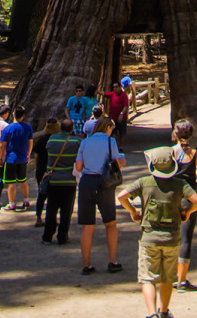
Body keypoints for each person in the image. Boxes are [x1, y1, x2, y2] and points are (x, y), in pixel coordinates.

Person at [118, 147, 197, 318]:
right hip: (171, 238)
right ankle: (164, 311)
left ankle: (151, 314)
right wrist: (187, 212)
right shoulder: (180, 184)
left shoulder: (144, 182)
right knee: (167, 277)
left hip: (149, 238)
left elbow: (121, 196)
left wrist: (133, 211)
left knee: (148, 278)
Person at [75, 115, 124, 275]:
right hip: (105, 183)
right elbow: (117, 161)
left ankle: (87, 264)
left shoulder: (85, 142)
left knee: (87, 227)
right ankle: (112, 261)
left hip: (87, 182)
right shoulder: (111, 142)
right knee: (110, 224)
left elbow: (79, 166)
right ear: (108, 127)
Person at [170, 119, 197, 292]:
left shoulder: (170, 153)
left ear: (175, 133)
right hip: (190, 198)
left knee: (170, 236)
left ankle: (168, 276)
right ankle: (182, 280)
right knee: (186, 238)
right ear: (191, 135)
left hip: (171, 196)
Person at [41, 119, 80, 245]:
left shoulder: (51, 140)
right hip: (69, 180)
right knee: (66, 210)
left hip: (53, 180)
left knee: (51, 209)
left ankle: (47, 236)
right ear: (72, 129)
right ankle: (62, 236)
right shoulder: (76, 142)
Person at [0, 104, 34, 211]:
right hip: (23, 158)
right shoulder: (28, 128)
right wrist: (28, 154)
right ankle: (26, 200)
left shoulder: (8, 128)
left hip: (10, 159)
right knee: (23, 180)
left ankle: (12, 204)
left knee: (11, 182)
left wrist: (1, 157)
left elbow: (2, 144)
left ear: (13, 114)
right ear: (23, 116)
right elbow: (30, 142)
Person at [32, 119, 60, 227]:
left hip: (42, 170)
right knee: (54, 196)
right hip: (54, 170)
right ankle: (53, 218)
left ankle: (39, 218)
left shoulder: (41, 140)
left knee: (41, 194)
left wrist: (36, 169)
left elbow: (36, 157)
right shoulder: (57, 141)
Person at [102, 81, 130, 146]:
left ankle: (121, 147)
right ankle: (114, 146)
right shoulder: (113, 94)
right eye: (114, 87)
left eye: (116, 87)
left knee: (122, 133)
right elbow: (104, 93)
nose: (115, 88)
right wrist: (96, 91)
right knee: (113, 132)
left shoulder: (124, 96)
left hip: (121, 118)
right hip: (113, 118)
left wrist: (122, 113)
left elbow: (126, 106)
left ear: (120, 87)